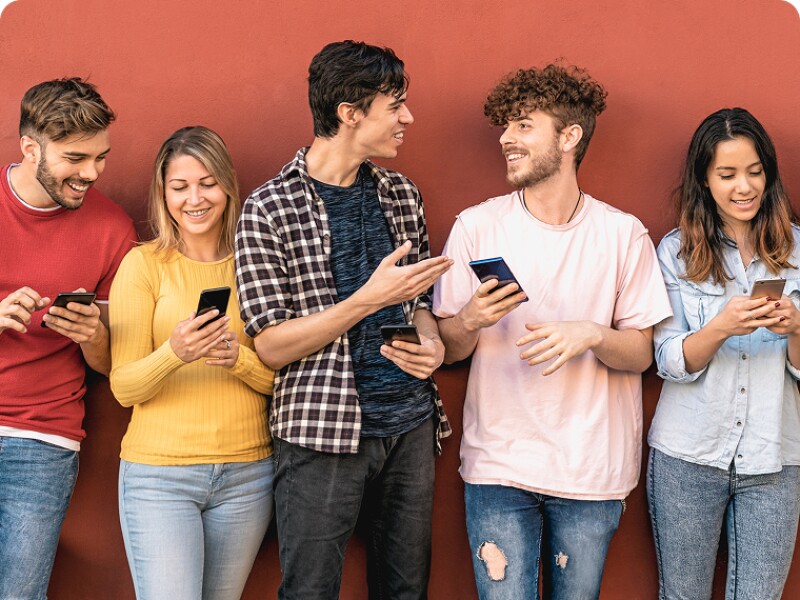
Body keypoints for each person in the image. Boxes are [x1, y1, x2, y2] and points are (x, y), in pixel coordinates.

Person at [433, 64, 672, 599]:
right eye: (505, 127)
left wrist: (589, 334)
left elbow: (641, 355)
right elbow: (447, 350)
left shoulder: (622, 234)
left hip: (591, 470)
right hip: (500, 466)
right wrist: (471, 318)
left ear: (569, 137)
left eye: (522, 126)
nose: (505, 139)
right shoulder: (478, 226)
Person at [235, 40, 452, 599]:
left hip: (408, 425)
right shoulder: (268, 208)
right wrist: (364, 299)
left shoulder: (402, 195)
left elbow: (419, 304)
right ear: (349, 113)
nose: (408, 118)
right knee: (310, 591)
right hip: (319, 433)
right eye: (395, 105)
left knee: (405, 591)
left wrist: (430, 345)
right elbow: (271, 346)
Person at [109, 126, 274, 600]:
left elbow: (283, 381)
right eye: (179, 187)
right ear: (163, 194)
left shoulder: (255, 263)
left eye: (207, 183)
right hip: (160, 477)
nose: (194, 198)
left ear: (227, 185)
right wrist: (174, 354)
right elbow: (124, 387)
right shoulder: (143, 266)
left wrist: (237, 359)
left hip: (247, 474)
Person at [647, 108, 800, 600]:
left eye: (755, 172)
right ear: (704, 179)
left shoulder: (798, 251)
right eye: (728, 174)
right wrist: (719, 328)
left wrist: (798, 328)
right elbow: (668, 359)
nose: (744, 187)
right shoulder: (675, 252)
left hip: (775, 457)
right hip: (688, 455)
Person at [0, 77, 135, 598]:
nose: (92, 174)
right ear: (30, 147)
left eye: (101, 157)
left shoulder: (112, 227)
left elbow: (107, 365)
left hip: (44, 440)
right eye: (76, 158)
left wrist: (92, 335)